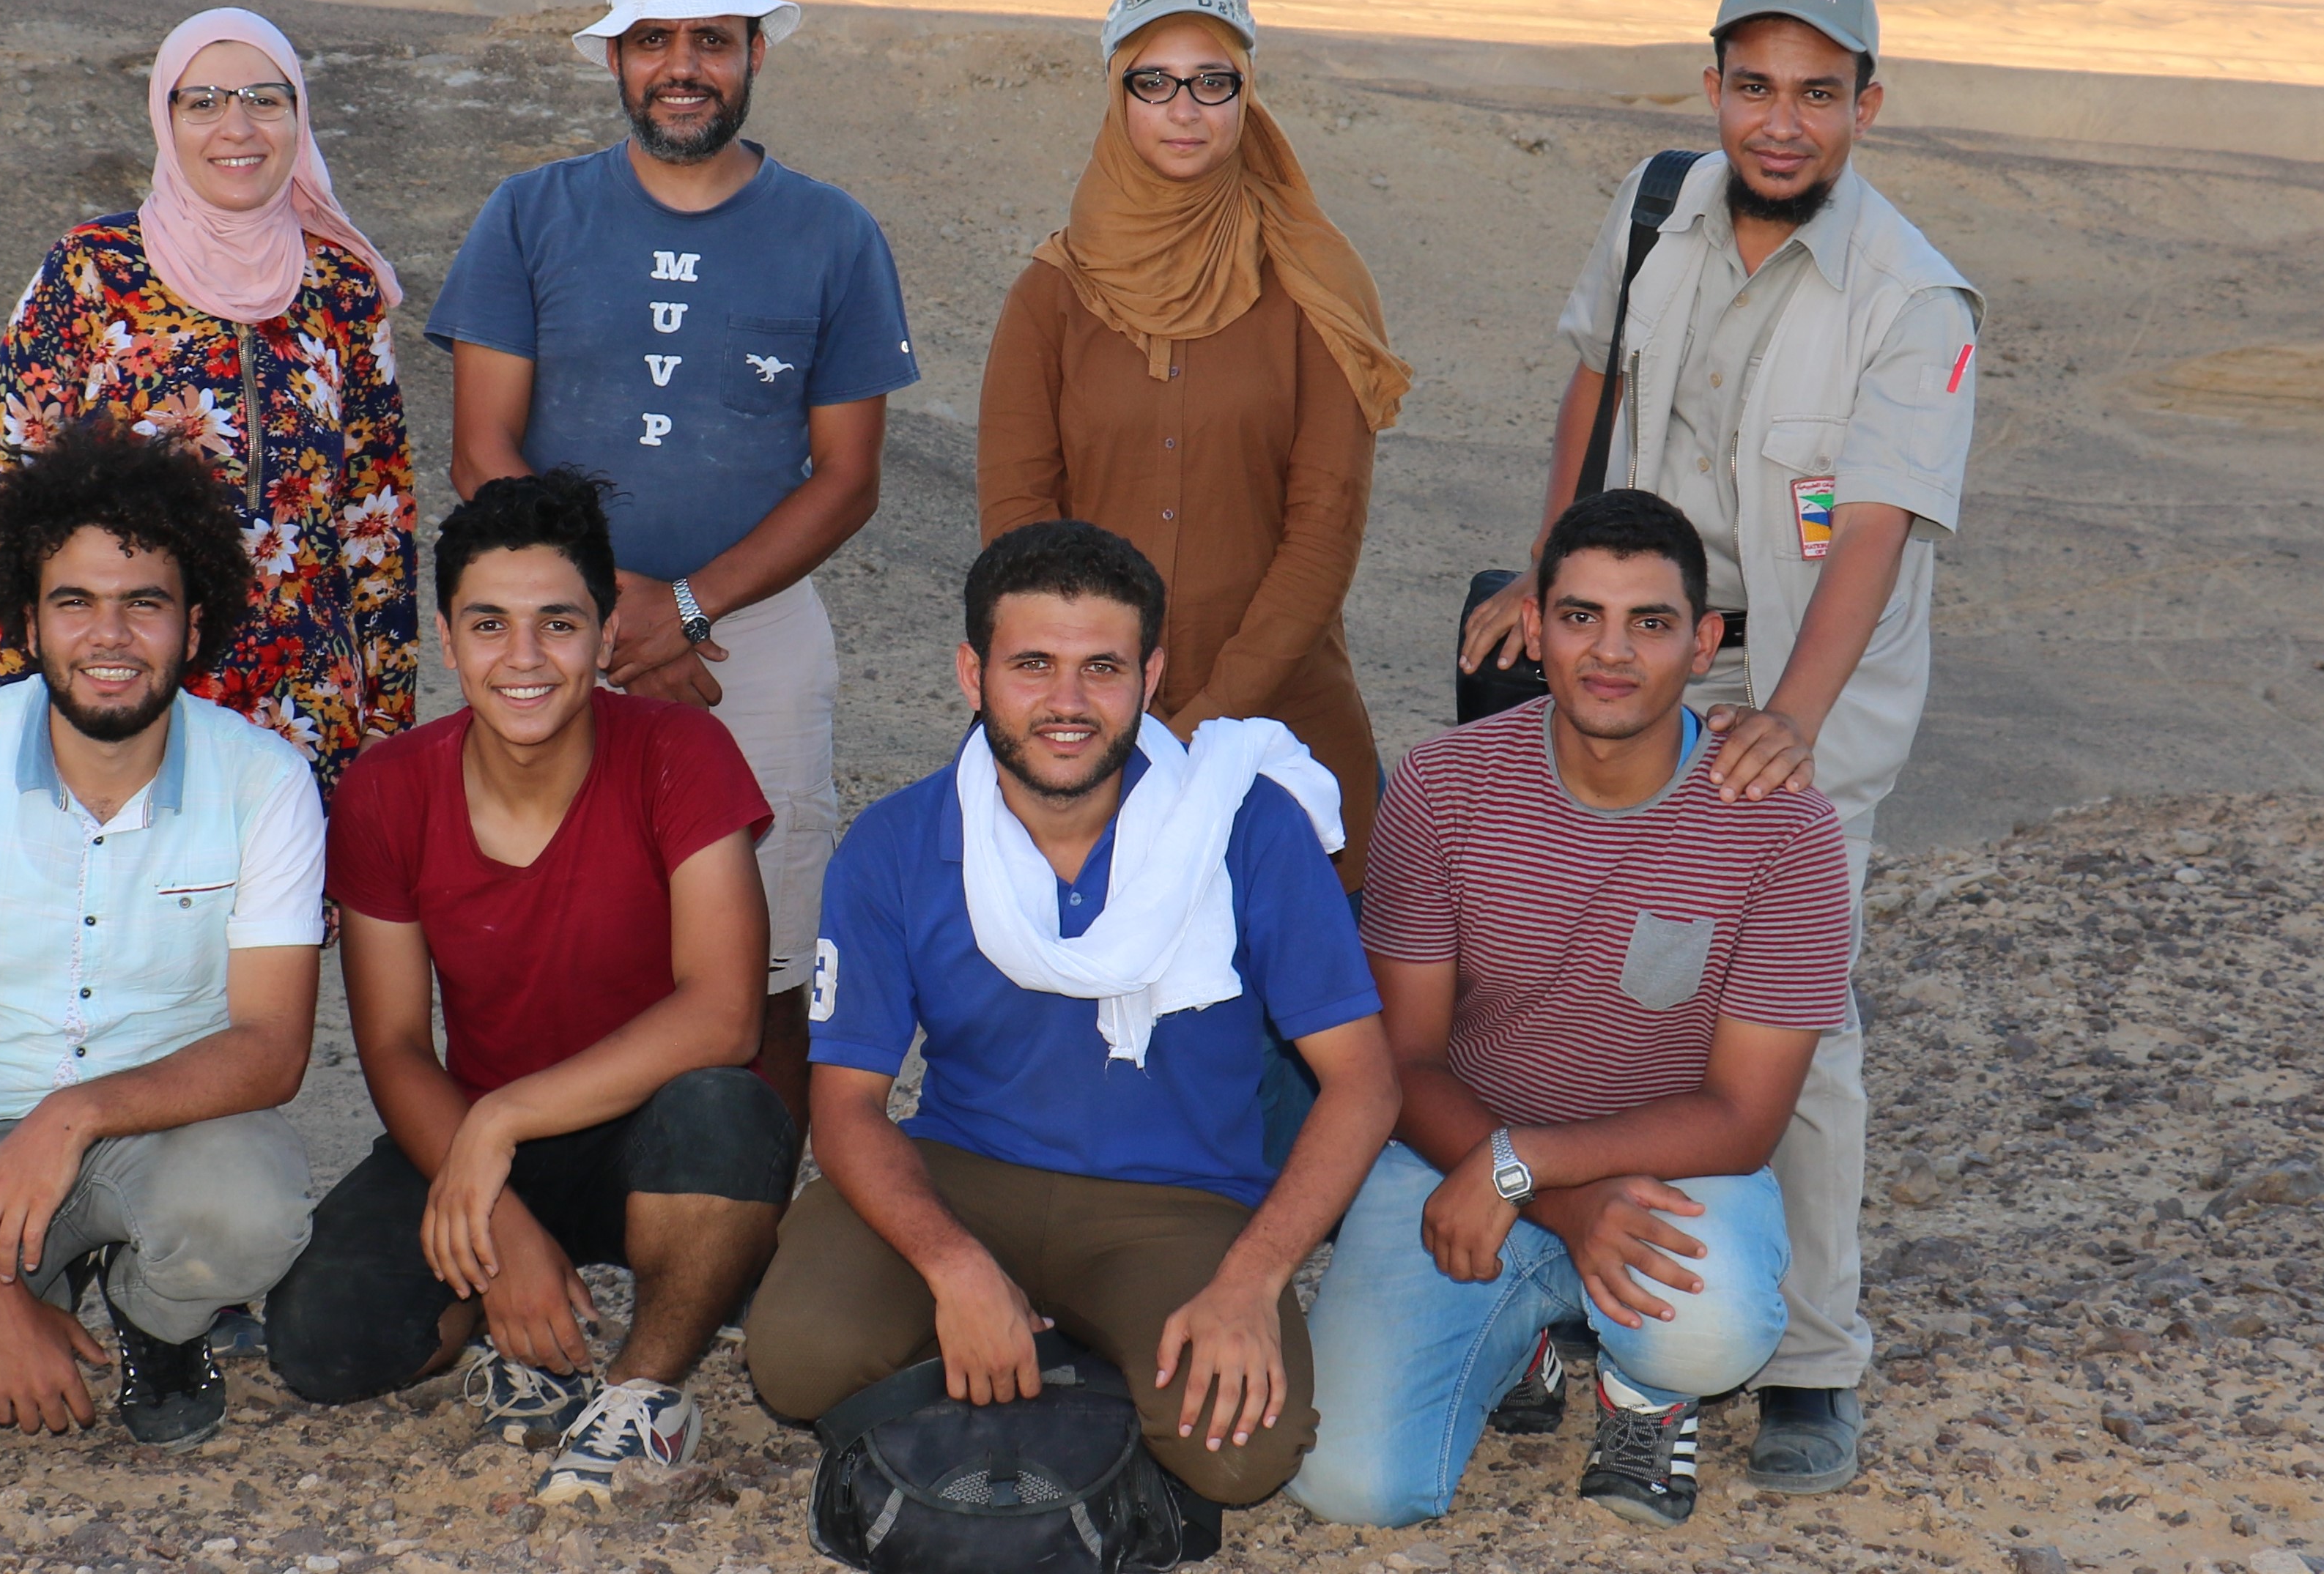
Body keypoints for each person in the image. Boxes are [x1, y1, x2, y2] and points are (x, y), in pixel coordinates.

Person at [1457, 0, 1979, 1490]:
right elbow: (1590, 390)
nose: (1779, 120)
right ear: (1712, 88)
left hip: (1790, 686)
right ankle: (1563, 1306)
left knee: (1787, 1021)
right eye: (1752, 85)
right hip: (1624, 655)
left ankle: (1810, 1356)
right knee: (1555, 968)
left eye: (1816, 92)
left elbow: (1869, 530)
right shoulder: (1653, 207)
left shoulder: (1909, 295)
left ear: (1863, 107)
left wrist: (1790, 725)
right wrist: (1548, 583)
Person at [744, 521, 1397, 1509]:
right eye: (1032, 664)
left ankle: (1067, 1355)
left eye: (1102, 666)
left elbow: (1361, 1081)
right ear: (972, 672)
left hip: (1173, 1202)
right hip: (965, 1173)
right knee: (794, 1360)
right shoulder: (897, 841)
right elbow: (843, 1105)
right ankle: (1013, 1331)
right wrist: (954, 1266)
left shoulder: (1243, 824)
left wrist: (1252, 1278)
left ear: (1152, 671)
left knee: (1239, 1460)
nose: (1065, 702)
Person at [426, 0, 917, 1119]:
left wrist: (686, 609)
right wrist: (604, 620)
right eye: (654, 41)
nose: (682, 65)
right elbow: (480, 446)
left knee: (771, 941)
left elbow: (848, 478)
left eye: (712, 38)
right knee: (536, 920)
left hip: (750, 637)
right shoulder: (530, 214)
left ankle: (740, 1223)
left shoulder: (834, 233)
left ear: (755, 53)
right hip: (551, 633)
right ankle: (522, 1189)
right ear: (615, 61)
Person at [1294, 490, 1851, 1532]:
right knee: (1347, 1485)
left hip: (1657, 1165)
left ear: (1703, 643)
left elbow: (1743, 1116)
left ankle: (1644, 1387)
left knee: (1708, 1320)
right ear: (1534, 624)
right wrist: (1546, 1192)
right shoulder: (1443, 785)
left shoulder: (1780, 827)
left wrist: (1523, 1170)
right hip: (1451, 1151)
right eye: (1580, 614)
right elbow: (1403, 1061)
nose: (1610, 650)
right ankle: (1529, 1331)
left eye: (1650, 621)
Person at [0, 422, 325, 1496]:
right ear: (26, 618)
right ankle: (31, 1283)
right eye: (74, 600)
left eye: (144, 601)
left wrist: (71, 1115)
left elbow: (271, 1048)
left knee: (250, 1206)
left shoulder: (266, 781)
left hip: (155, 1130)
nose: (108, 633)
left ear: (194, 619)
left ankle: (152, 1312)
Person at [265, 467, 796, 1508]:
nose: (522, 657)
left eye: (557, 622)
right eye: (488, 624)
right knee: (325, 1343)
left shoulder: (679, 751)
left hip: (650, 1122)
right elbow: (392, 1044)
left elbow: (724, 1011)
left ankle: (641, 1390)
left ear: (604, 636)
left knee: (732, 1114)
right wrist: (501, 1224)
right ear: (450, 639)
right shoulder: (389, 788)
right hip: (478, 1130)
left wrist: (501, 1118)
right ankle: (516, 1342)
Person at [979, 0, 1410, 870]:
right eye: (1154, 81)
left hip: (1281, 736)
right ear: (1118, 95)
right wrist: (1100, 707)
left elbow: (1323, 528)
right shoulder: (1050, 298)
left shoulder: (1315, 288)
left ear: (1245, 98)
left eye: (1211, 81)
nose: (1185, 109)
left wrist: (1192, 731)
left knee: (1295, 1001)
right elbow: (1018, 530)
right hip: (1078, 732)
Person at [0, 5, 416, 796]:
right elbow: (5, 516)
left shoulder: (342, 290)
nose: (236, 127)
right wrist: (7, 713)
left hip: (306, 712)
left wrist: (387, 727)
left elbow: (376, 530)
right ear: (165, 119)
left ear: (298, 117)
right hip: (126, 699)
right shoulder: (89, 271)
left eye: (264, 99)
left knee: (284, 919)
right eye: (203, 101)